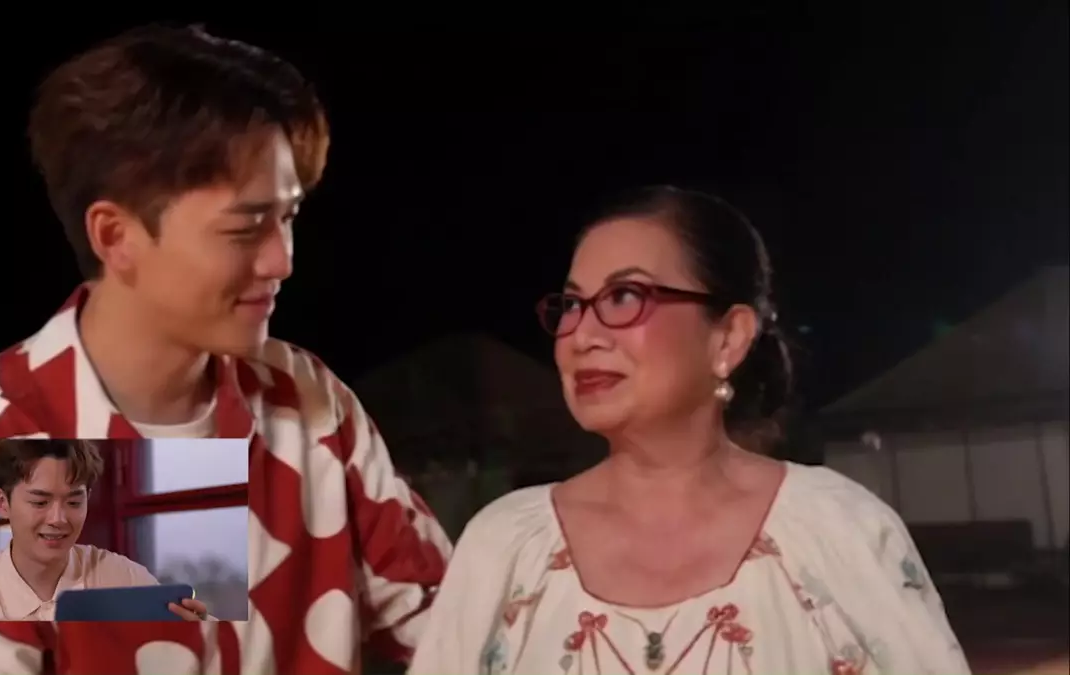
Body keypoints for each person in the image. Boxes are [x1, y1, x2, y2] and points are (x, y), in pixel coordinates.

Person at [0, 24, 450, 675]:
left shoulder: (308, 403)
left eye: (287, 217)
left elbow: (458, 631)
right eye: (245, 228)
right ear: (114, 235)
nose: (282, 260)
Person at [409, 186, 971, 675]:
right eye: (573, 304)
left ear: (728, 338)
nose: (582, 336)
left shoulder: (838, 533)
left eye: (624, 297)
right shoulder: (505, 549)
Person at [0, 439, 209, 622]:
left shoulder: (123, 577)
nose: (58, 519)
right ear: (2, 503)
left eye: (74, 502)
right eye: (40, 502)